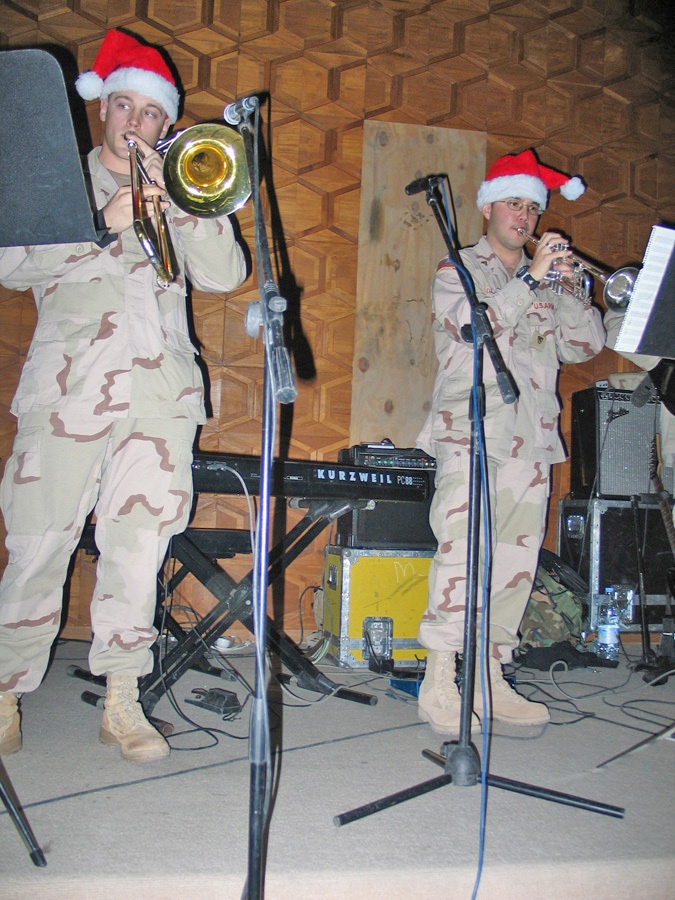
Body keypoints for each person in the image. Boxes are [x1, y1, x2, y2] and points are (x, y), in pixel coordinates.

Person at [0, 30, 247, 762]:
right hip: (67, 395)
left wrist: (184, 205)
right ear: (101, 110)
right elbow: (11, 264)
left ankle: (120, 699)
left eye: (150, 113)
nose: (135, 123)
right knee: (37, 546)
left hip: (160, 400)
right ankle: (6, 690)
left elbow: (225, 274)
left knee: (139, 553)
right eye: (123, 106)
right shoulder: (56, 179)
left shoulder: (180, 183)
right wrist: (100, 227)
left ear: (165, 125)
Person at [415, 149, 606, 736]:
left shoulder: (551, 282)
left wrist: (570, 286)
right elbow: (471, 328)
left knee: (515, 566)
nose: (524, 217)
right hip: (471, 432)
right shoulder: (459, 269)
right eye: (513, 204)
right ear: (488, 208)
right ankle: (441, 677)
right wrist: (528, 278)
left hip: (532, 441)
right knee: (462, 553)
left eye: (532, 207)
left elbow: (586, 345)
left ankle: (490, 674)